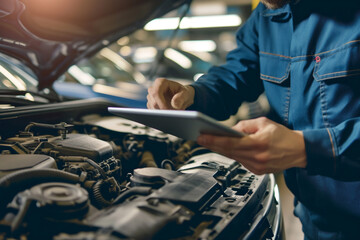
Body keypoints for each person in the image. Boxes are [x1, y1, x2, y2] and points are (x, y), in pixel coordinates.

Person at [147, 0, 360, 239]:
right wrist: (193, 94)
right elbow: (236, 74)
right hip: (316, 219)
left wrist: (307, 148)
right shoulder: (266, 16)